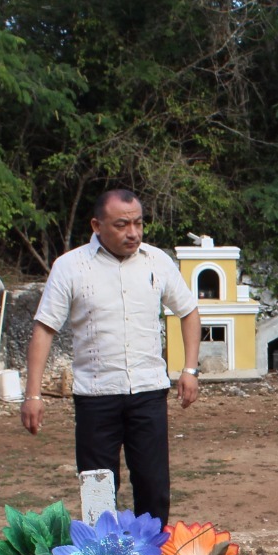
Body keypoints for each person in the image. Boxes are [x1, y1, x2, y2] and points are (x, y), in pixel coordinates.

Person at [22, 188, 200, 526]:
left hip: (148, 392)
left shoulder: (157, 262)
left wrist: (189, 369)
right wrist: (32, 394)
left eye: (138, 223)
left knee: (153, 485)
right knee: (98, 488)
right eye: (121, 225)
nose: (133, 233)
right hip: (96, 396)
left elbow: (189, 311)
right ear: (97, 225)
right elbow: (44, 329)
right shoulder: (70, 267)